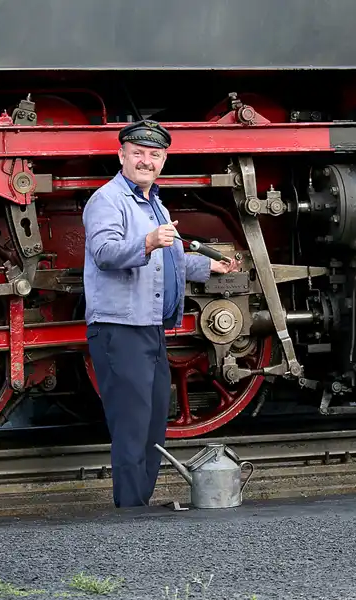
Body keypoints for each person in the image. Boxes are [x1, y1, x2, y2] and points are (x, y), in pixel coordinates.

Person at [82, 119, 239, 508]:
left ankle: (141, 507)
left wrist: (208, 266)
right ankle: (131, 511)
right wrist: (148, 241)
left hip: (149, 326)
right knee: (132, 426)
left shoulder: (155, 203)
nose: (146, 161)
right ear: (121, 156)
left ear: (163, 161)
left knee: (153, 424)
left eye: (154, 155)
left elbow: (167, 260)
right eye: (138, 153)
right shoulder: (107, 200)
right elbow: (104, 253)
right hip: (119, 327)